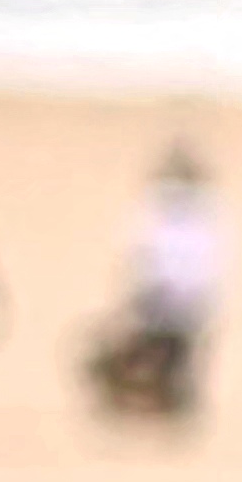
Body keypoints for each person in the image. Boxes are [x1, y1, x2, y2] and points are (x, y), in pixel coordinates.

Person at [97, 144, 227, 426]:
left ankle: (166, 409)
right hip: (171, 300)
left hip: (173, 300)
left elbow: (148, 256)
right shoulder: (179, 208)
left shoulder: (193, 210)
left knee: (172, 361)